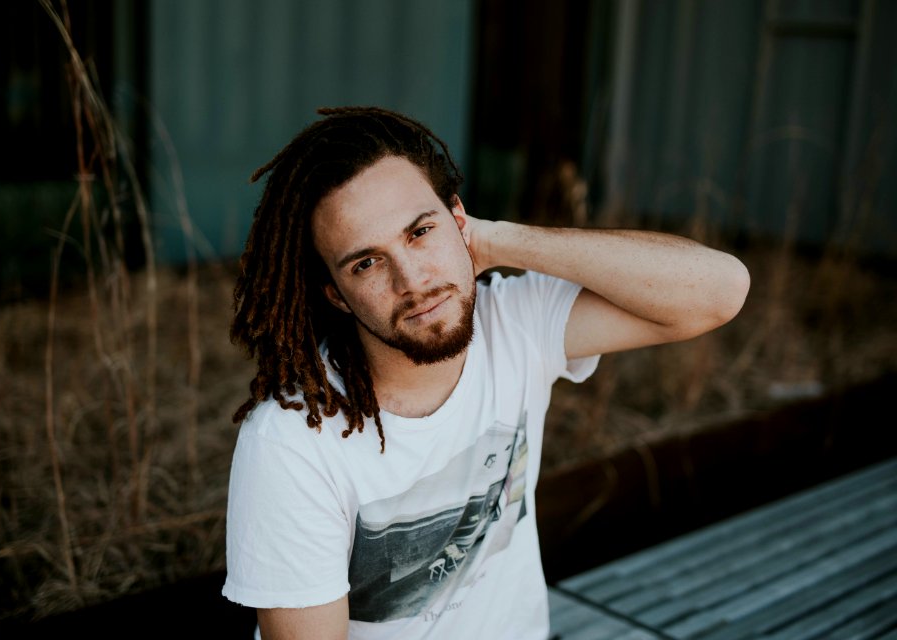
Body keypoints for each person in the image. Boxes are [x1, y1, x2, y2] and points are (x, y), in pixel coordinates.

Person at [222, 106, 750, 640]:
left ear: (458, 220)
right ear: (335, 293)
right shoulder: (291, 442)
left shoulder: (514, 322)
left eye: (420, 232)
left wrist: (497, 241)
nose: (414, 280)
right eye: (367, 262)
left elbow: (720, 291)